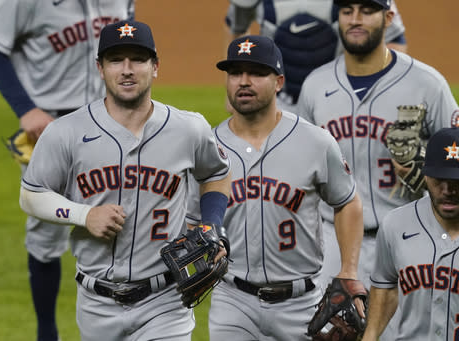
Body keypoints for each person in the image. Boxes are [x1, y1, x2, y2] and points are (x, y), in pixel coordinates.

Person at [19, 20, 231, 341]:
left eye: (138, 59)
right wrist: (84, 215)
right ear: (100, 68)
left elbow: (216, 172)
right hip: (95, 305)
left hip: (165, 303)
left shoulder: (189, 128)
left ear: (155, 66)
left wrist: (211, 223)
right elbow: (31, 195)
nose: (127, 70)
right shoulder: (66, 132)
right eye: (116, 60)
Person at [296, 0, 459, 338]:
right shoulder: (315, 86)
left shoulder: (427, 84)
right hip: (331, 245)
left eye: (367, 10)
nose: (355, 19)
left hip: (409, 242)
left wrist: (424, 165)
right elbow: (301, 172)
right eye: (347, 10)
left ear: (388, 18)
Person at [186, 34, 365, 340]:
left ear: (279, 81)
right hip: (233, 301)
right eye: (235, 73)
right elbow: (192, 219)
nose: (244, 81)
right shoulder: (208, 148)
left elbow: (347, 202)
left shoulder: (315, 142)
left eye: (256, 73)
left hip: (300, 303)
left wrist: (348, 269)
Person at [0, 1, 135, 340]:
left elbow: (132, 41)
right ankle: (47, 332)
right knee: (45, 235)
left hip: (114, 123)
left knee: (124, 224)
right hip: (52, 127)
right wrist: (26, 109)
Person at [363, 127, 459, 340]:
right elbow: (386, 286)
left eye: (456, 181)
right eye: (439, 179)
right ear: (424, 174)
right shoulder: (396, 224)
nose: (447, 190)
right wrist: (369, 336)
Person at [225, 0, 407, 112]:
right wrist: (234, 91)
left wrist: (384, 92)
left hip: (338, 100)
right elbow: (238, 32)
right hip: (278, 101)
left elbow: (393, 37)